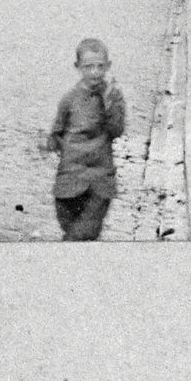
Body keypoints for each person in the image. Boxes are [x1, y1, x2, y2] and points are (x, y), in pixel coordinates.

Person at [42, 36, 129, 239]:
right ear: (78, 67)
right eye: (89, 67)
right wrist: (50, 142)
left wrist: (109, 105)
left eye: (100, 66)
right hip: (69, 181)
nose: (95, 72)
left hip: (99, 181)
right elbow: (57, 131)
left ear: (108, 66)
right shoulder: (69, 99)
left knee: (81, 235)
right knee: (71, 228)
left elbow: (117, 130)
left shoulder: (113, 96)